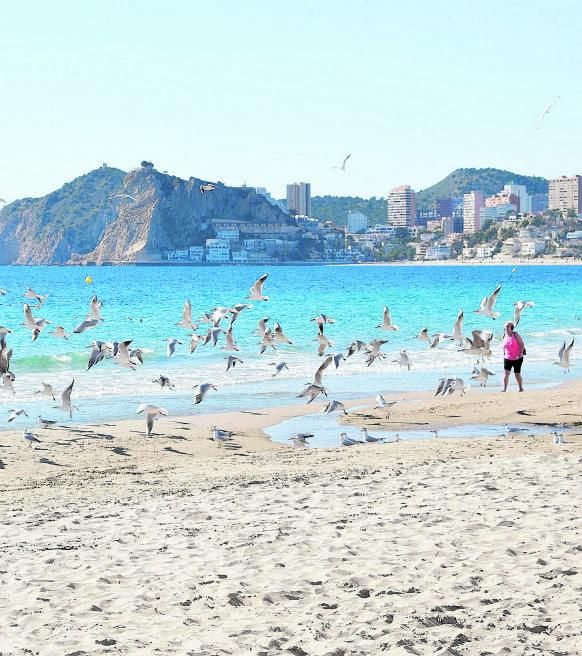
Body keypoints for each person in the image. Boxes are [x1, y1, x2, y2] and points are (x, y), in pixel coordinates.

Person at [502, 321, 525, 392]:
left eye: (507, 326)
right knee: (506, 373)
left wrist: (521, 353)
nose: (505, 327)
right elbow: (504, 346)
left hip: (517, 358)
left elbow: (522, 344)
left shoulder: (515, 334)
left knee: (517, 374)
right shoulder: (504, 335)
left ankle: (521, 388)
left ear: (511, 327)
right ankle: (504, 389)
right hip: (507, 357)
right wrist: (504, 353)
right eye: (505, 326)